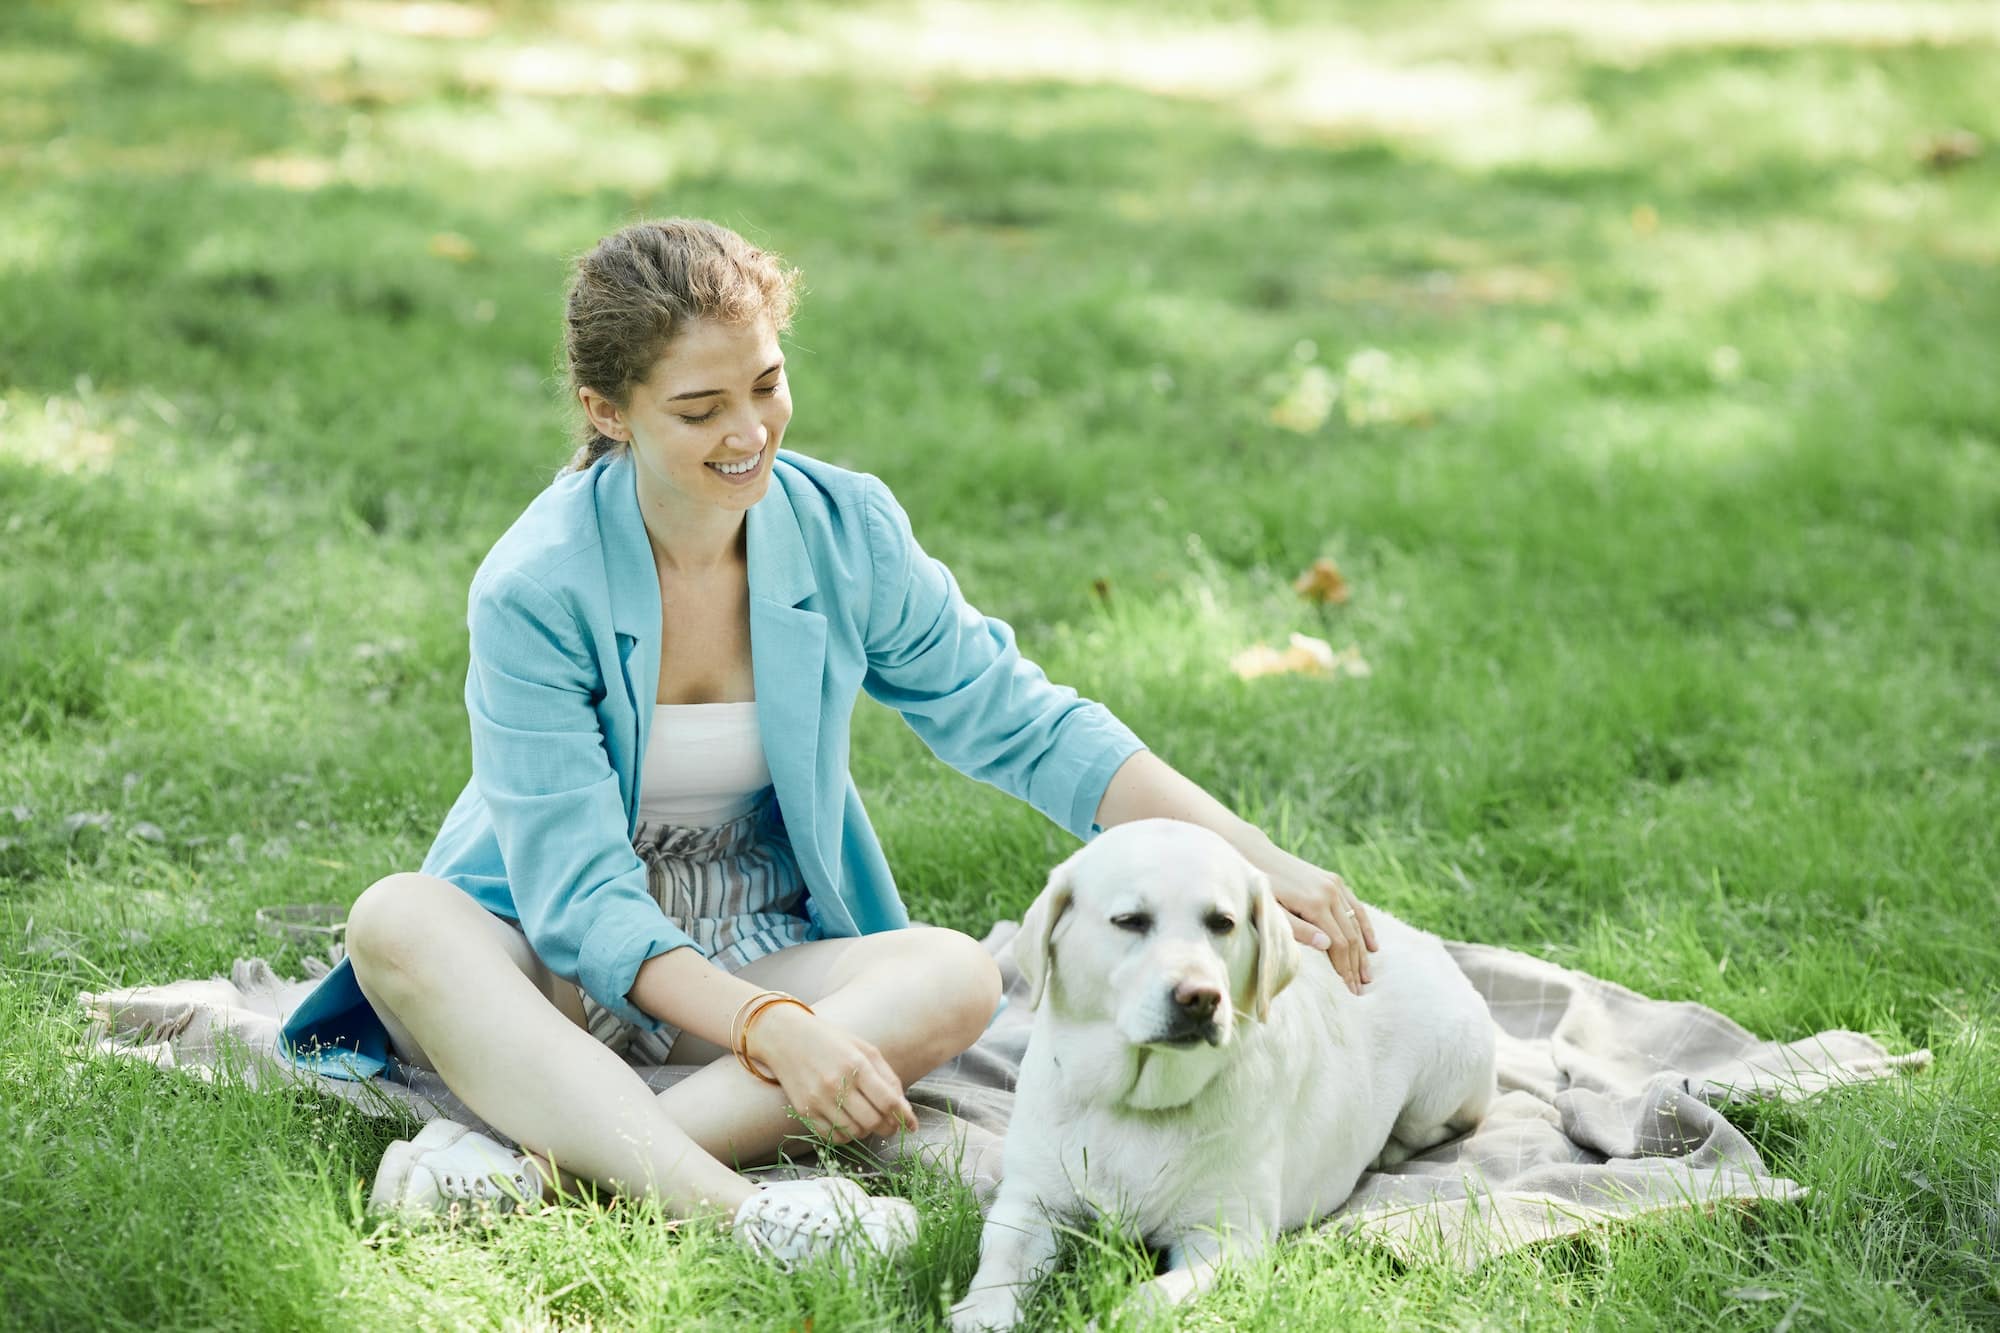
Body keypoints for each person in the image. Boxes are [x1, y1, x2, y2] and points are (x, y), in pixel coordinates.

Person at [278, 217, 1378, 1270]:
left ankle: (544, 1163)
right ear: (608, 412)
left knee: (951, 975)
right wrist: (771, 1031)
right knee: (395, 918)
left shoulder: (842, 529)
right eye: (699, 408)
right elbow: (574, 898)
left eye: (765, 384)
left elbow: (1026, 723)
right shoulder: (535, 585)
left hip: (749, 929)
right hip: (549, 958)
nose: (748, 432)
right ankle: (738, 1212)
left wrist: (1260, 865)